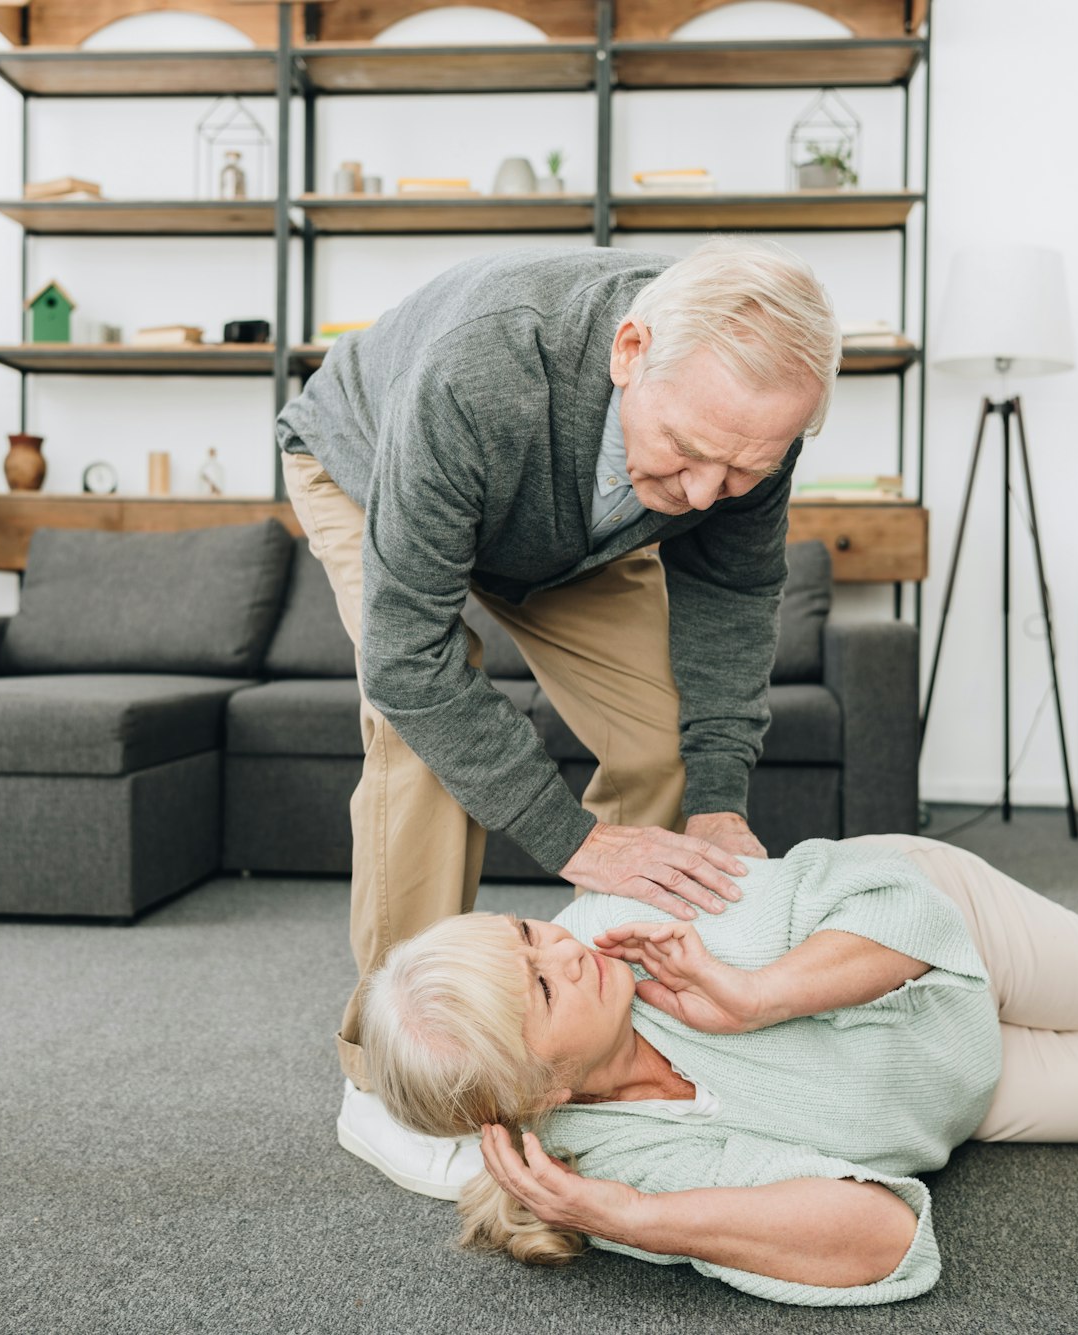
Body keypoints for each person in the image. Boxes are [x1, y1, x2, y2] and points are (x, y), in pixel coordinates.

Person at [274, 239, 840, 1197]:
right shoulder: (484, 370)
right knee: (427, 743)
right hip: (369, 461)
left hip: (569, 520)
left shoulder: (744, 429)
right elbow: (413, 664)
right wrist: (576, 840)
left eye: (743, 472)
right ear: (630, 353)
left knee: (662, 741)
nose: (707, 495)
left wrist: (715, 797)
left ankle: (606, 1025)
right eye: (693, 452)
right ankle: (383, 1076)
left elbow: (734, 605)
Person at [358, 834, 1078, 1307]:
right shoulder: (608, 1161)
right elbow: (880, 1236)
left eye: (526, 931)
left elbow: (894, 910)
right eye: (542, 988)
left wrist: (755, 996)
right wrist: (635, 1218)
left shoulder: (628, 922)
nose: (567, 949)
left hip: (944, 938)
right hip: (944, 1091)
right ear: (539, 1095)